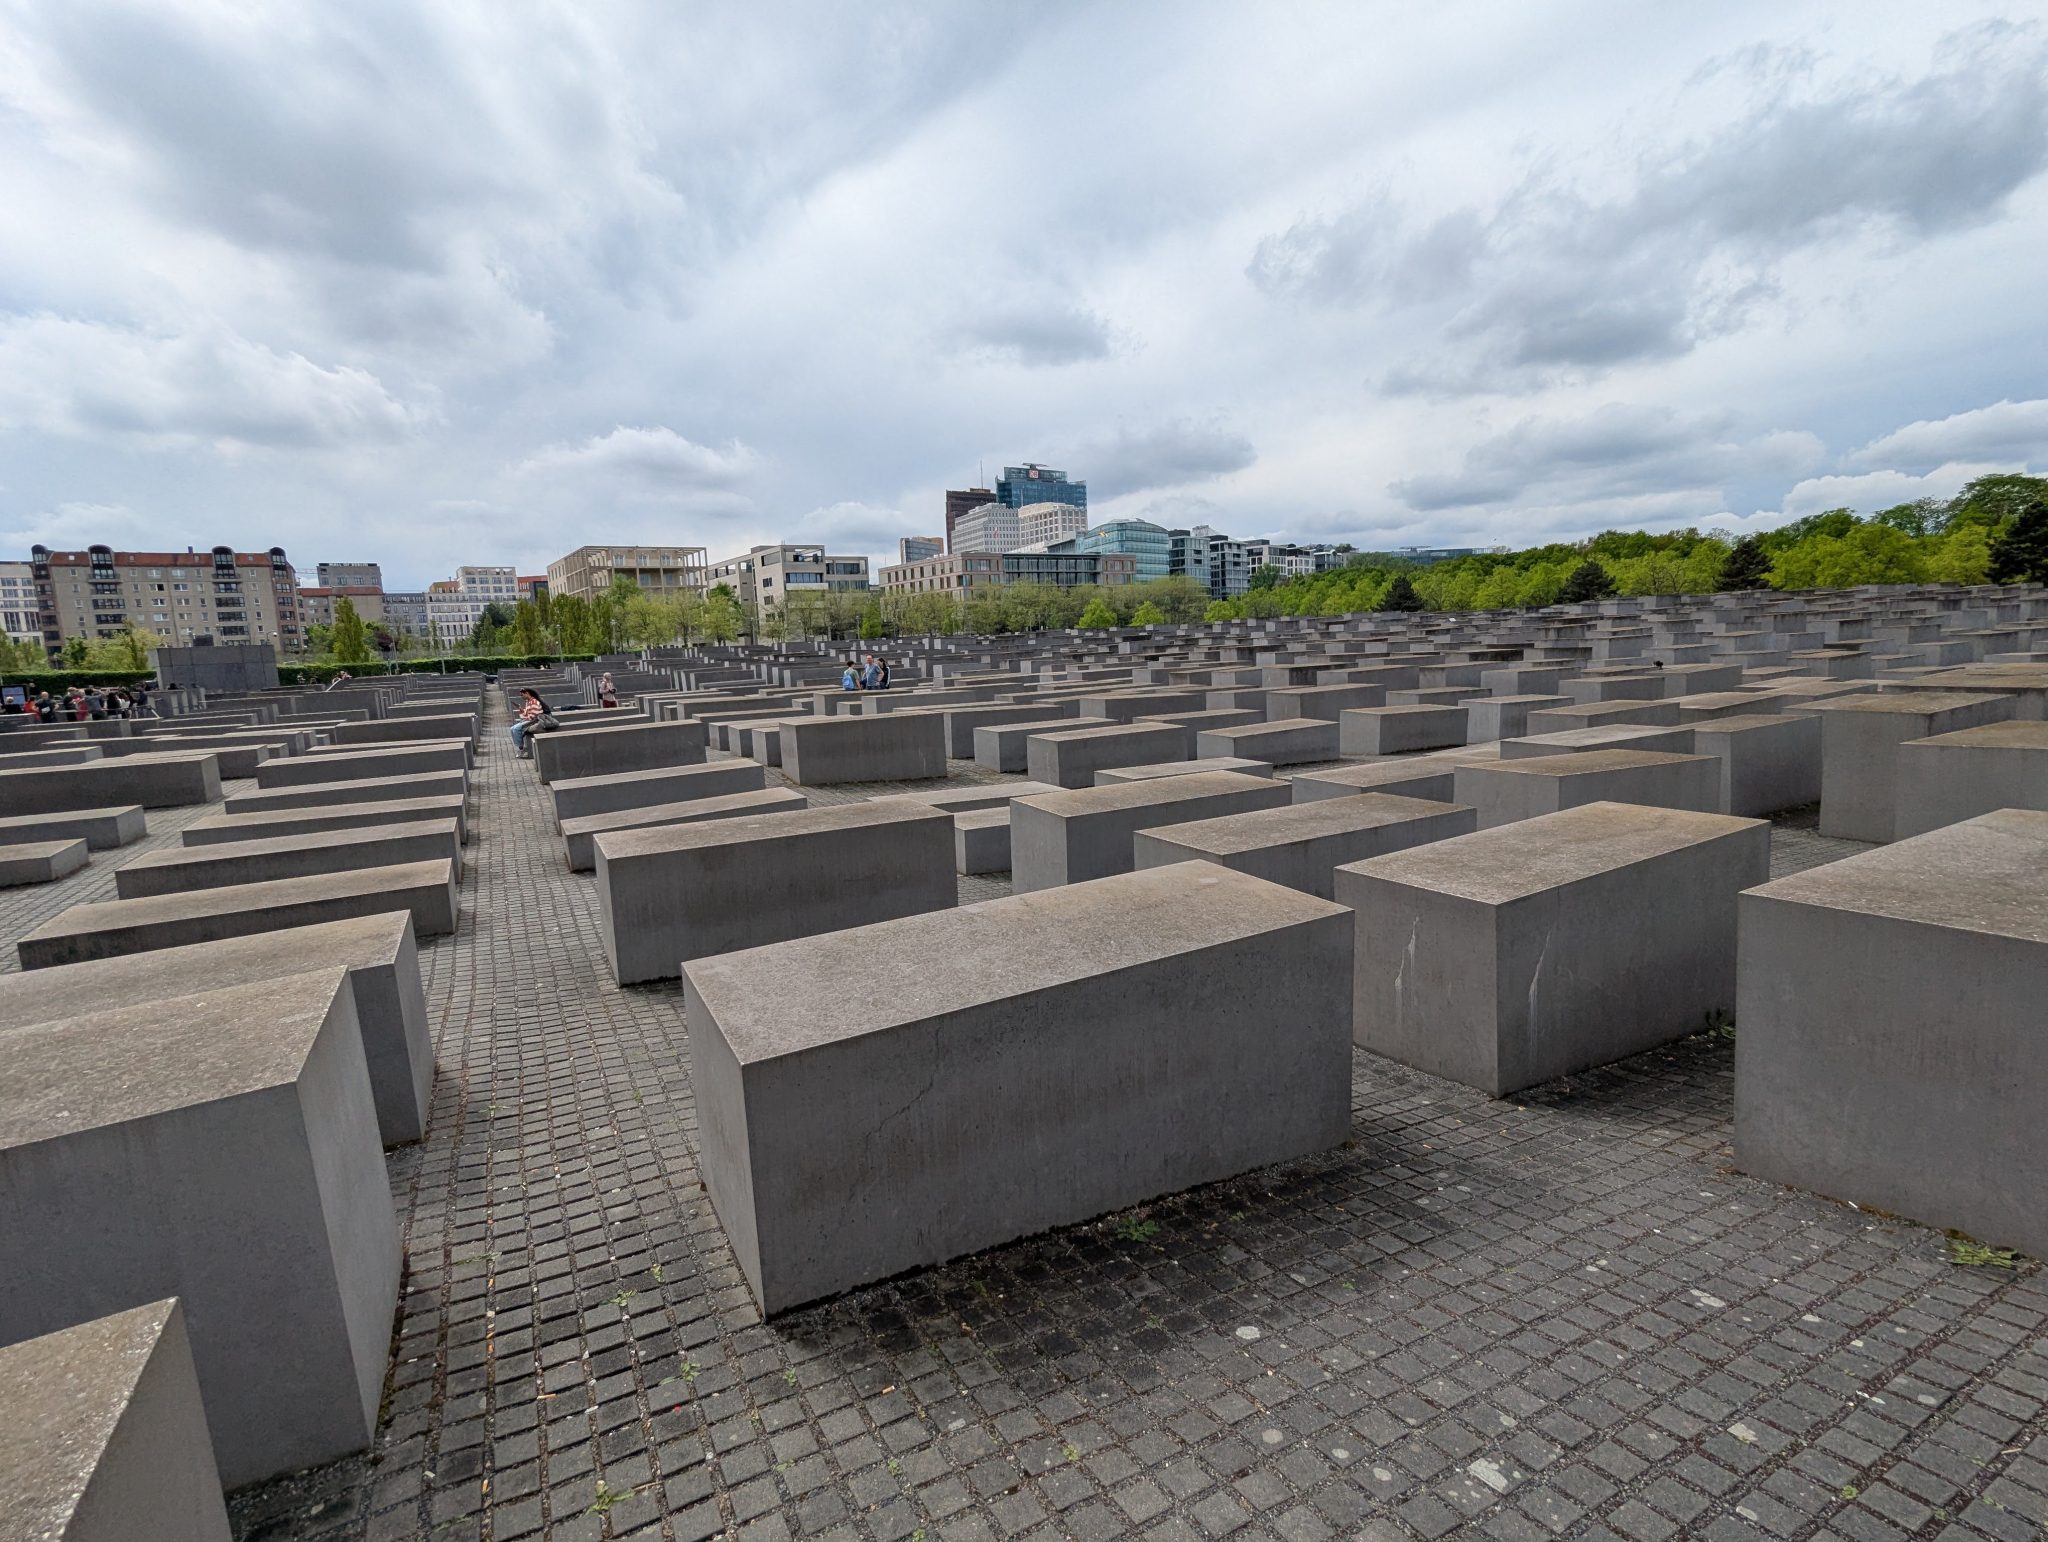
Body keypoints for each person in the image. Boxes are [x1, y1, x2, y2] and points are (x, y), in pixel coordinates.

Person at [510, 688, 550, 758]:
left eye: (522, 695)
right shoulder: (528, 702)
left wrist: (526, 718)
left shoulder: (534, 701)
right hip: (530, 720)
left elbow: (535, 715)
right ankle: (520, 746)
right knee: (512, 728)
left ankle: (521, 749)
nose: (521, 697)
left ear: (527, 693)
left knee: (516, 729)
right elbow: (527, 714)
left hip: (535, 720)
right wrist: (522, 710)